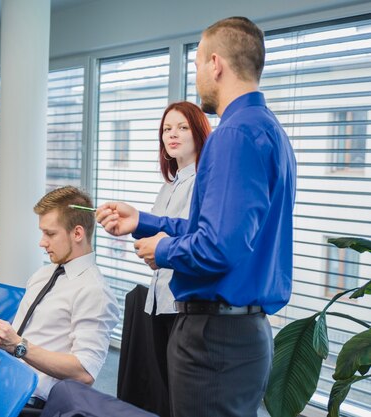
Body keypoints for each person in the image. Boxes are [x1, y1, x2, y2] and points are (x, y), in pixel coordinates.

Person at [97, 16, 296, 417]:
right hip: (239, 334)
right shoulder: (268, 129)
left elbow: (217, 247)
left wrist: (164, 250)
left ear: (216, 64)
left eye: (198, 64)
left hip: (214, 340)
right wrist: (145, 221)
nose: (198, 75)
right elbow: (218, 230)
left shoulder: (234, 134)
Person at [0, 186, 119, 412]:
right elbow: (21, 343)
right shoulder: (44, 274)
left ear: (77, 233)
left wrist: (18, 345)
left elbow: (84, 372)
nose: (42, 242)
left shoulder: (94, 292)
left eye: (50, 234)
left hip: (30, 403)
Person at [140, 101, 210, 416]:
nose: (173, 135)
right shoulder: (168, 186)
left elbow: (188, 239)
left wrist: (160, 245)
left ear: (198, 132)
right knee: (163, 389)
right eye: (167, 129)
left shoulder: (203, 182)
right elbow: (156, 235)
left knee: (182, 395)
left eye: (182, 127)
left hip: (182, 303)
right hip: (158, 299)